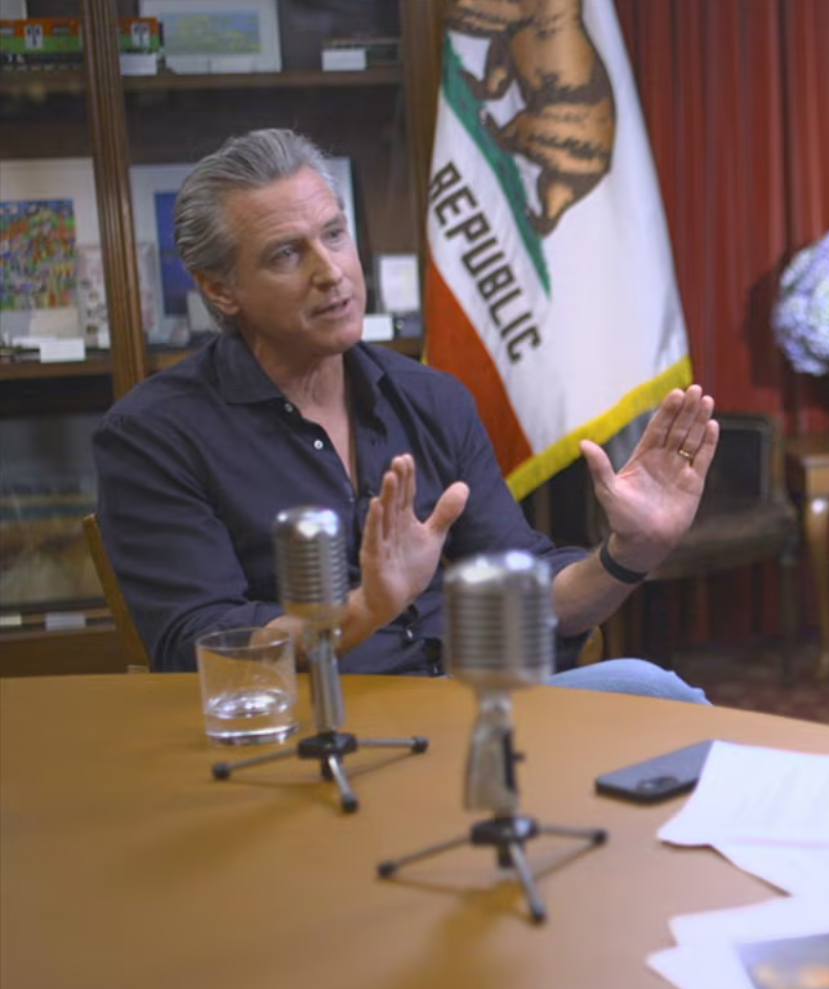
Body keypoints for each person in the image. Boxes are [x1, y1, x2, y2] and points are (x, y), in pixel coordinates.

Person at [92, 128, 712, 703]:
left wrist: (631, 550)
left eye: (334, 234)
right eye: (286, 254)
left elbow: (528, 595)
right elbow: (200, 646)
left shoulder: (431, 398)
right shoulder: (154, 435)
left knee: (659, 694)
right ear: (220, 289)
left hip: (476, 699)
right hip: (323, 725)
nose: (330, 272)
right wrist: (364, 611)